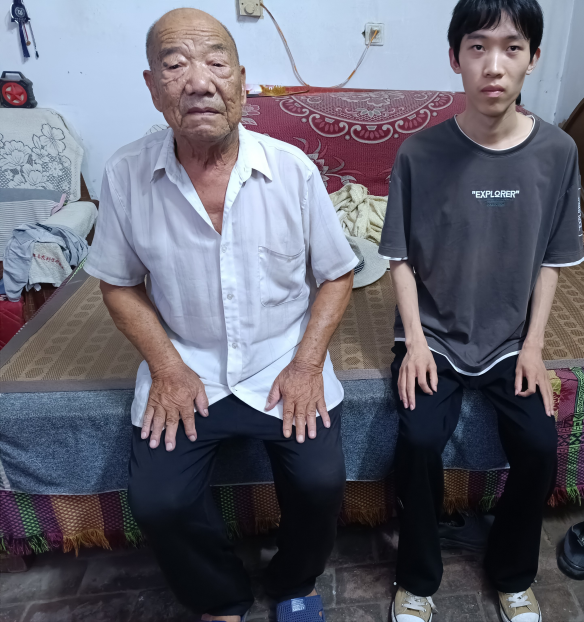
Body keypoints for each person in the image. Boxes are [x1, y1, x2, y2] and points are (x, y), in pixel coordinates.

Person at [85, 9, 357, 621]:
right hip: (188, 364)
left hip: (281, 361)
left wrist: (307, 364)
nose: (199, 81)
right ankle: (220, 597)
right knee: (159, 500)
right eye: (175, 65)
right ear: (152, 87)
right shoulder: (126, 174)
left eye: (215, 62)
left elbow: (337, 274)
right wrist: (167, 367)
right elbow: (118, 285)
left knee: (319, 482)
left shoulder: (292, 170)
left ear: (241, 80)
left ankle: (294, 581)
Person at [378, 0, 584, 620]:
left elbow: (551, 260)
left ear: (533, 59)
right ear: (455, 58)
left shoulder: (558, 152)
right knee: (418, 439)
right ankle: (417, 581)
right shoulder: (418, 153)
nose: (494, 65)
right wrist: (415, 342)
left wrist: (534, 347)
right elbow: (398, 259)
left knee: (540, 443)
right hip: (434, 335)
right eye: (478, 47)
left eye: (512, 47)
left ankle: (513, 575)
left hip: (509, 339)